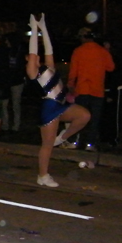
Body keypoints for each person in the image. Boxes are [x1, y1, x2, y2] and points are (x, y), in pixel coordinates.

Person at [26, 14, 90, 188]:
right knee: (46, 146)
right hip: (49, 107)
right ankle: (43, 175)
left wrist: (44, 27)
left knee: (84, 115)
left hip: (61, 105)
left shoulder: (48, 67)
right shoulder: (33, 72)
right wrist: (33, 29)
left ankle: (62, 137)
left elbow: (49, 49)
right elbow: (33, 52)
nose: (35, 57)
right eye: (32, 57)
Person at [67, 27, 115, 150]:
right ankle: (90, 143)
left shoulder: (78, 51)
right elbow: (111, 68)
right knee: (95, 118)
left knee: (78, 116)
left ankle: (74, 141)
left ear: (82, 37)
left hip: (82, 89)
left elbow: (73, 71)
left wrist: (71, 84)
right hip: (97, 89)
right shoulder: (102, 51)